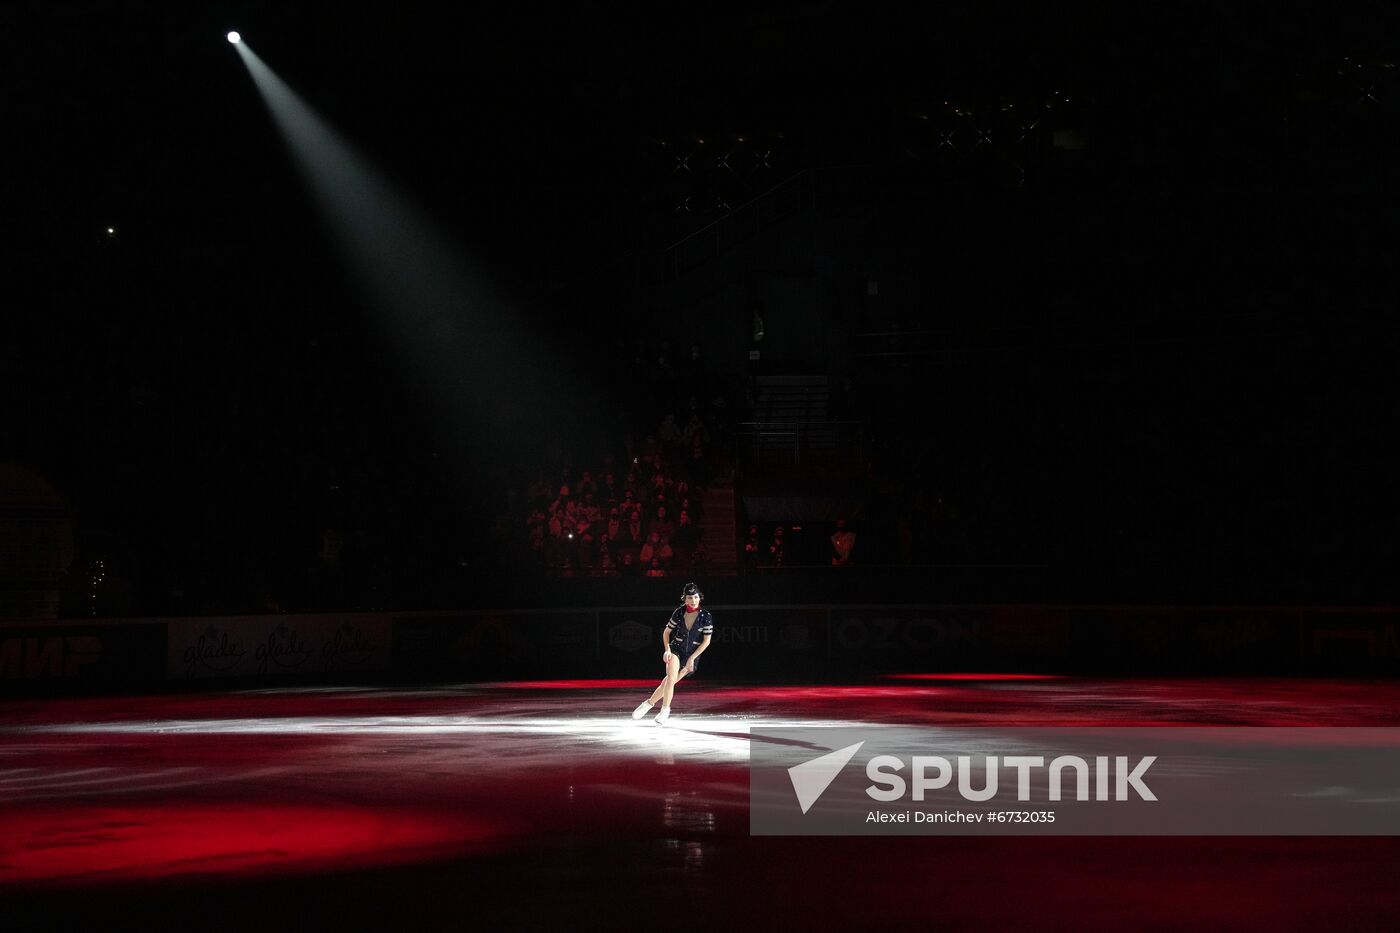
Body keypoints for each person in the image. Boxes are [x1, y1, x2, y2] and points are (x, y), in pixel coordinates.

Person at [632, 582, 713, 725]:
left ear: (699, 597)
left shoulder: (706, 616)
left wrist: (692, 658)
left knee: (670, 682)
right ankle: (665, 710)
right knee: (670, 678)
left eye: (695, 597)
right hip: (676, 648)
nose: (693, 600)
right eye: (689, 598)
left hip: (692, 654)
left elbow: (706, 641)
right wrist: (667, 650)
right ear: (685, 599)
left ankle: (648, 703)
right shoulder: (679, 612)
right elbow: (666, 632)